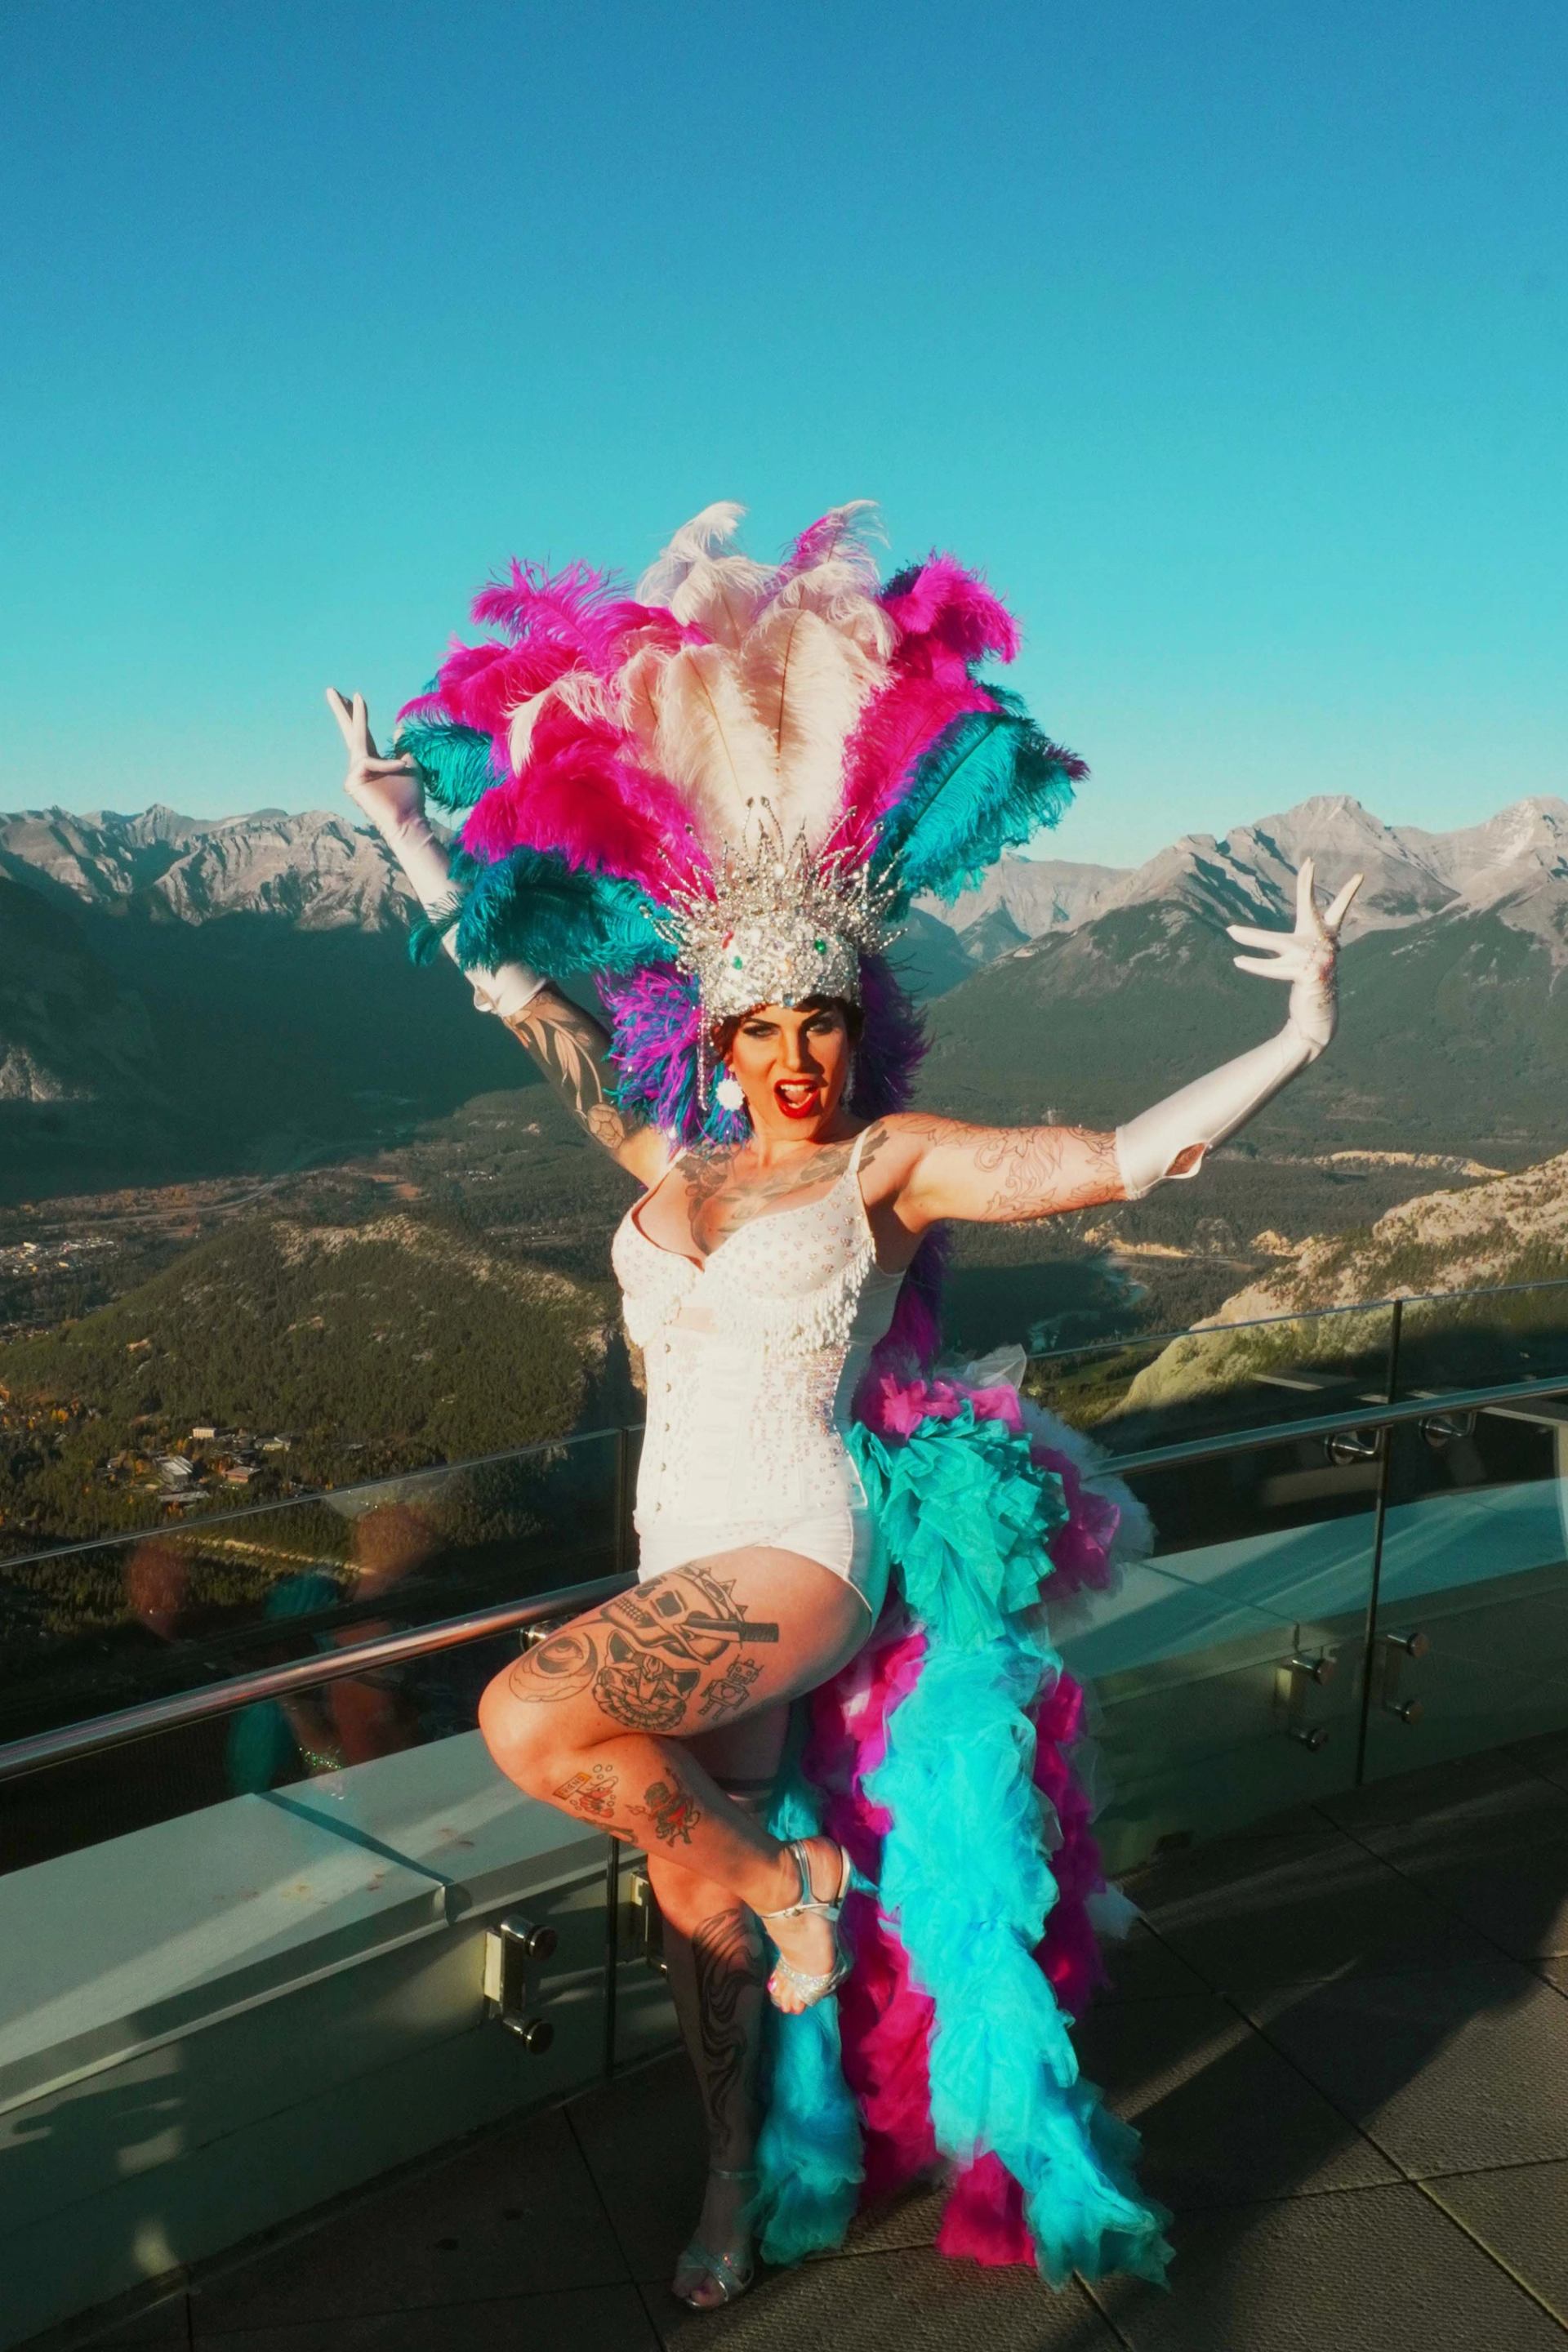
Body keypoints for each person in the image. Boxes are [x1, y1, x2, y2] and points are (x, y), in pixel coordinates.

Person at [327, 502, 1361, 2311]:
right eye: (764, 1031)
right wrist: (409, 836)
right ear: (715, 1045)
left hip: (802, 1554)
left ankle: (804, 1891)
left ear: (847, 1025)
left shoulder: (884, 1164)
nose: (796, 1055)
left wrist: (1297, 1039)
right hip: (677, 1552)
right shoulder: (666, 1158)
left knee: (524, 1710)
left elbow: (1124, 1162)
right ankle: (740, 2175)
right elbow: (526, 1001)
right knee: (691, 1915)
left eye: (821, 1020)